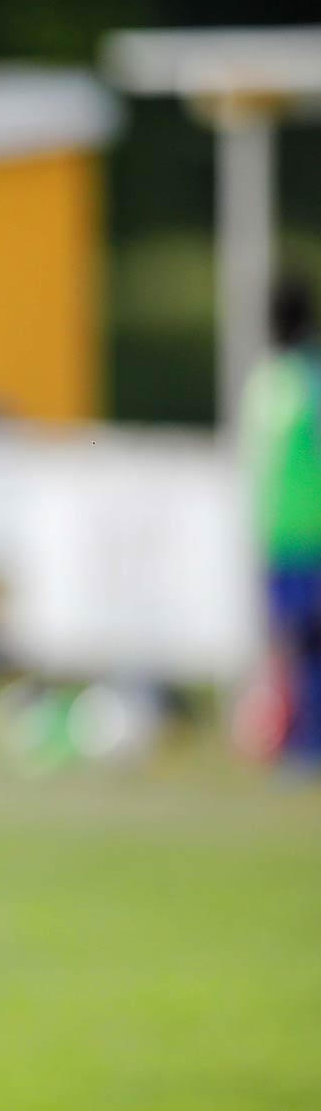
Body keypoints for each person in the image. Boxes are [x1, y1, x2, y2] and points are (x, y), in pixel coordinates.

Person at [240, 273, 321, 775]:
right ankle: (299, 744)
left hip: (285, 536)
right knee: (299, 649)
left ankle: (303, 747)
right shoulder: (302, 379)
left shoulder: (269, 382)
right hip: (297, 537)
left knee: (296, 648)